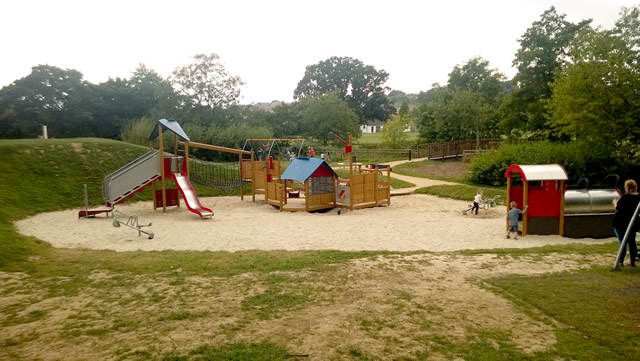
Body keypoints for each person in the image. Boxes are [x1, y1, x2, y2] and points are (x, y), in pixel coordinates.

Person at [612, 179, 640, 267]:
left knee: (622, 241)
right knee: (632, 241)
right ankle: (632, 261)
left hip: (620, 222)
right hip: (633, 222)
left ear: (627, 187)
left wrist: (615, 204)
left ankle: (620, 261)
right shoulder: (638, 198)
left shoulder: (625, 197)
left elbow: (619, 209)